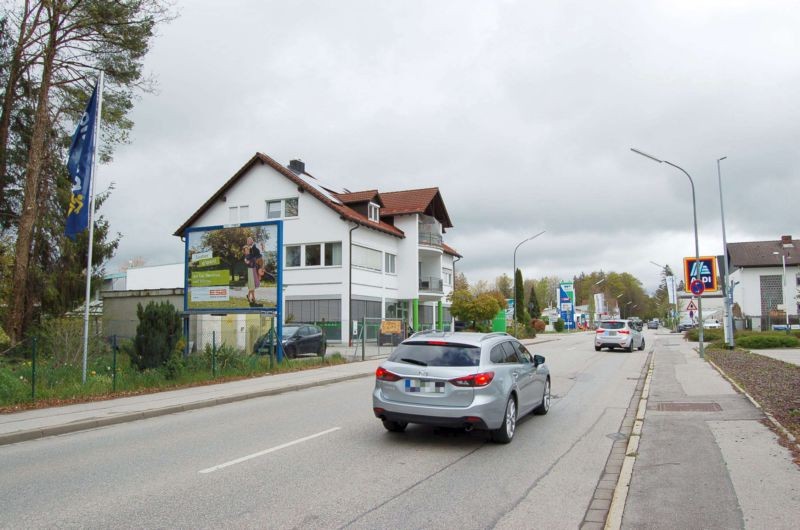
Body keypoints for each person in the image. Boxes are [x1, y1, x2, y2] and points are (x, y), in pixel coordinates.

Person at [243, 237, 263, 307]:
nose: (247, 251)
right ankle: (254, 299)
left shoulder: (251, 253)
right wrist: (247, 261)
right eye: (246, 250)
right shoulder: (247, 256)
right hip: (250, 270)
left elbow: (257, 254)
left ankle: (248, 296)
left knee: (253, 284)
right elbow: (246, 261)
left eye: (248, 250)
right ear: (244, 252)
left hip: (254, 269)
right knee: (252, 285)